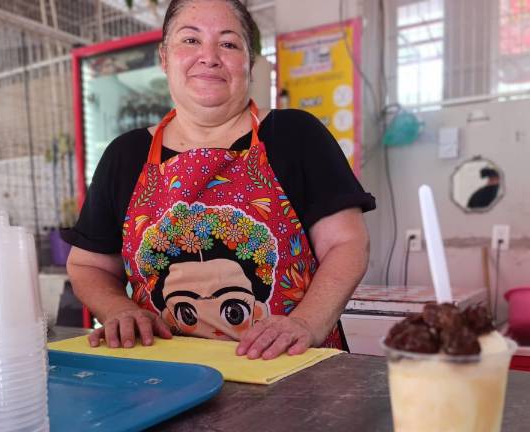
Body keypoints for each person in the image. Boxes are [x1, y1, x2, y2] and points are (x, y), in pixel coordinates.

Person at [62, 0, 375, 360]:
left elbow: (347, 245)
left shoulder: (296, 135)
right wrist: (118, 309)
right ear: (164, 58)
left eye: (228, 43)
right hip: (165, 376)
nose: (209, 56)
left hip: (292, 371)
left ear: (249, 63)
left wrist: (306, 323)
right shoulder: (125, 155)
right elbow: (88, 265)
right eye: (190, 40)